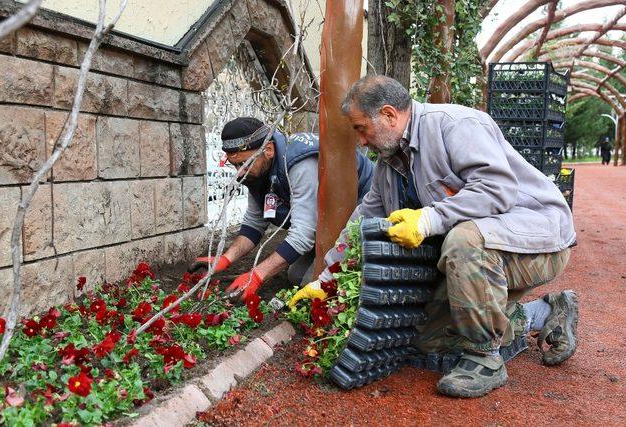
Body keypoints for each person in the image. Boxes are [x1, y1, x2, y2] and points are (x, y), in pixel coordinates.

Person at [290, 75, 577, 398]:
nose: (360, 141)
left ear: (388, 115)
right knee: (426, 337)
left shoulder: (456, 125)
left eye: (360, 128)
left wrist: (429, 219)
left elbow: (497, 190)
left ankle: (485, 358)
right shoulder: (391, 163)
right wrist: (326, 277)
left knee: (463, 241)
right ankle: (543, 311)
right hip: (482, 252)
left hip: (536, 241)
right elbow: (362, 222)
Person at [190, 117, 374, 300]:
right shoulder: (257, 171)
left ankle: (366, 277)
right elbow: (254, 223)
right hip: (325, 217)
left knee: (315, 283)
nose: (240, 172)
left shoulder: (300, 165)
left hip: (362, 210)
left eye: (244, 163)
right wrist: (225, 259)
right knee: (295, 276)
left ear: (268, 150)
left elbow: (303, 234)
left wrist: (257, 276)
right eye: (235, 165)